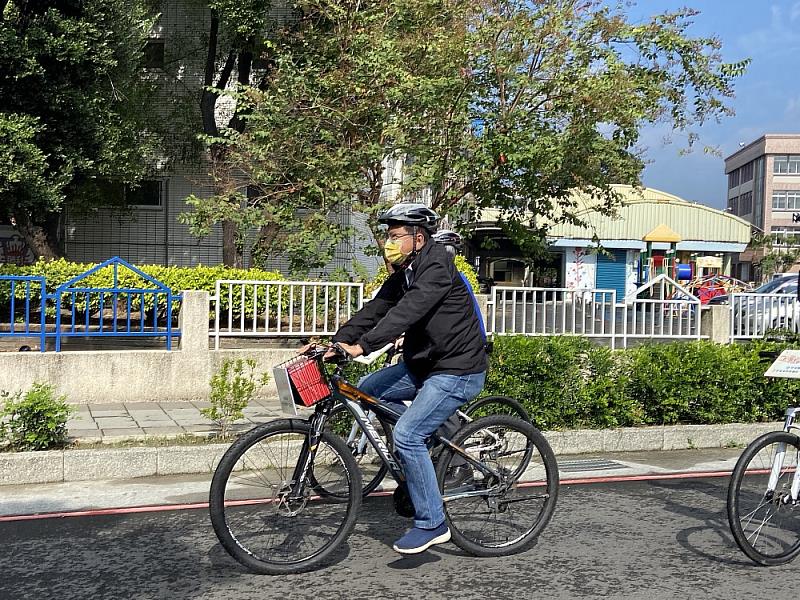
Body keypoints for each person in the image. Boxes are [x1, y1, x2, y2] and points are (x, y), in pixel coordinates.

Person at [330, 203, 488, 554]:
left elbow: (406, 313)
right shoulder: (405, 272)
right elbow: (376, 308)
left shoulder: (435, 268)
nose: (388, 241)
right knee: (366, 392)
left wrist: (363, 347)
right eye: (388, 235)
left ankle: (433, 522)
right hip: (423, 366)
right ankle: (417, 458)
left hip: (456, 370)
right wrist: (338, 340)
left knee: (407, 434)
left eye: (394, 235)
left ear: (418, 238)